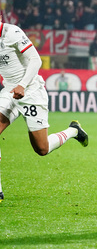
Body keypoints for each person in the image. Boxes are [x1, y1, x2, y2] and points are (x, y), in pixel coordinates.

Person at [0, 18, 89, 201]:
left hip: (31, 92)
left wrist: (23, 85)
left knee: (42, 148)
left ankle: (73, 130)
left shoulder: (12, 33)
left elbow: (35, 59)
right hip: (9, 92)